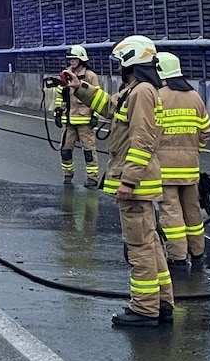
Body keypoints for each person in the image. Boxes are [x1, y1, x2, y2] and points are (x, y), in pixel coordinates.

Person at [64, 35, 173, 327]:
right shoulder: (135, 90)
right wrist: (80, 88)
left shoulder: (142, 93)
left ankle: (144, 308)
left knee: (139, 247)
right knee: (150, 244)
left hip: (135, 186)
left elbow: (142, 141)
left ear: (131, 61)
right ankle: (161, 303)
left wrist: (128, 181)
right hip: (140, 184)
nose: (118, 66)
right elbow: (110, 106)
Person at [154, 52, 210, 269]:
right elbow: (205, 130)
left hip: (165, 169)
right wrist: (195, 150)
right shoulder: (194, 96)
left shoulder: (158, 96)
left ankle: (177, 256)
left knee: (171, 212)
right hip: (190, 167)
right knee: (192, 210)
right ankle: (197, 251)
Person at [54, 45, 100, 188]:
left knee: (88, 151)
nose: (71, 61)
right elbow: (59, 94)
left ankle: (92, 178)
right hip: (68, 120)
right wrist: (57, 111)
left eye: (74, 58)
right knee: (65, 150)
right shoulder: (65, 74)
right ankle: (68, 174)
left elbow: (97, 97)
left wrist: (95, 116)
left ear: (81, 59)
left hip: (85, 120)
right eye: (70, 59)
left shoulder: (91, 76)